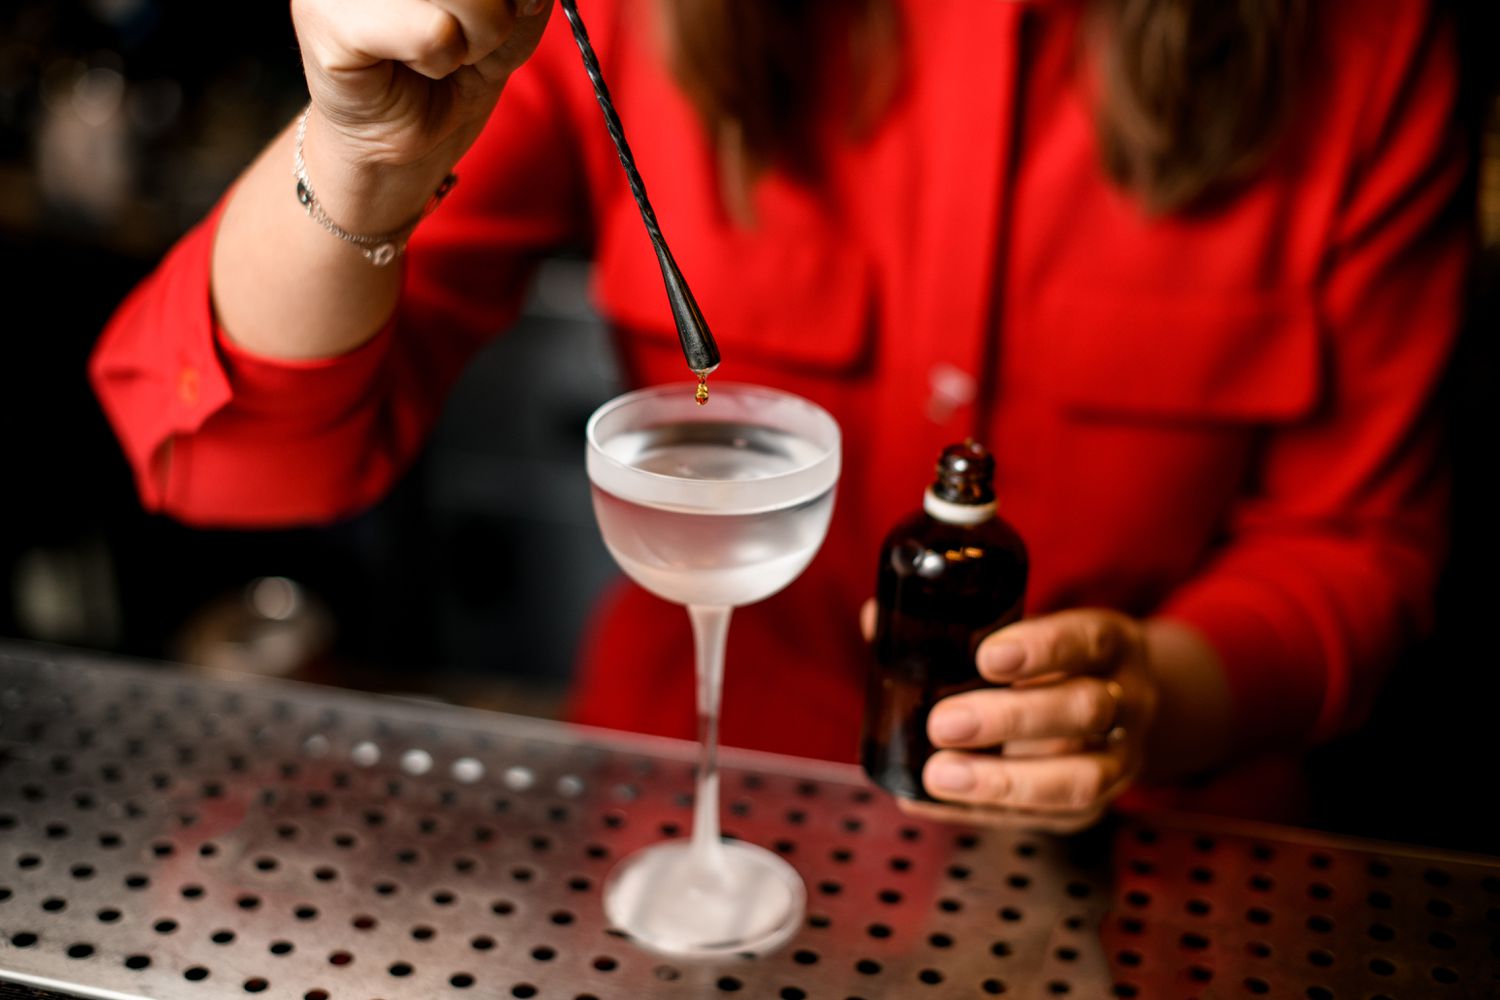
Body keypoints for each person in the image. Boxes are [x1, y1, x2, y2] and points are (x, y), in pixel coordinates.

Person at [90, 0, 1469, 832]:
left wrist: (1150, 700)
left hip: (1161, 869)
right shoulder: (617, 14)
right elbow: (228, 459)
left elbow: (1359, 544)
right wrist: (358, 156)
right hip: (676, 828)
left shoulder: (1371, 43)